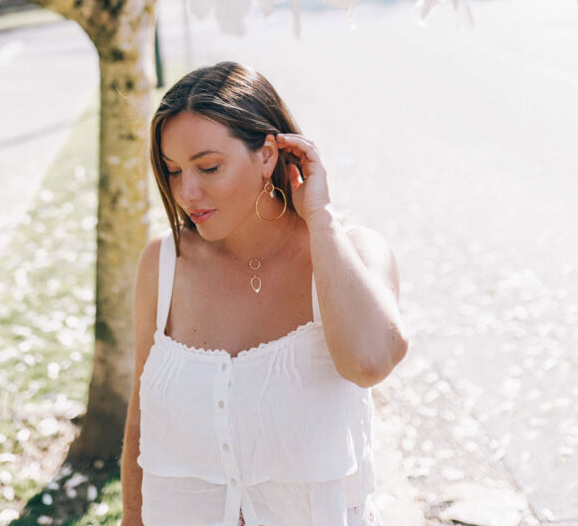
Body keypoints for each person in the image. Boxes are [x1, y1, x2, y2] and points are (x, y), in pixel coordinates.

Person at [121, 62, 409, 526]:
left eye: (208, 167)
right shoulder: (163, 264)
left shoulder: (352, 251)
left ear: (267, 156)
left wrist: (320, 218)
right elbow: (141, 425)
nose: (186, 193)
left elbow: (370, 361)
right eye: (173, 172)